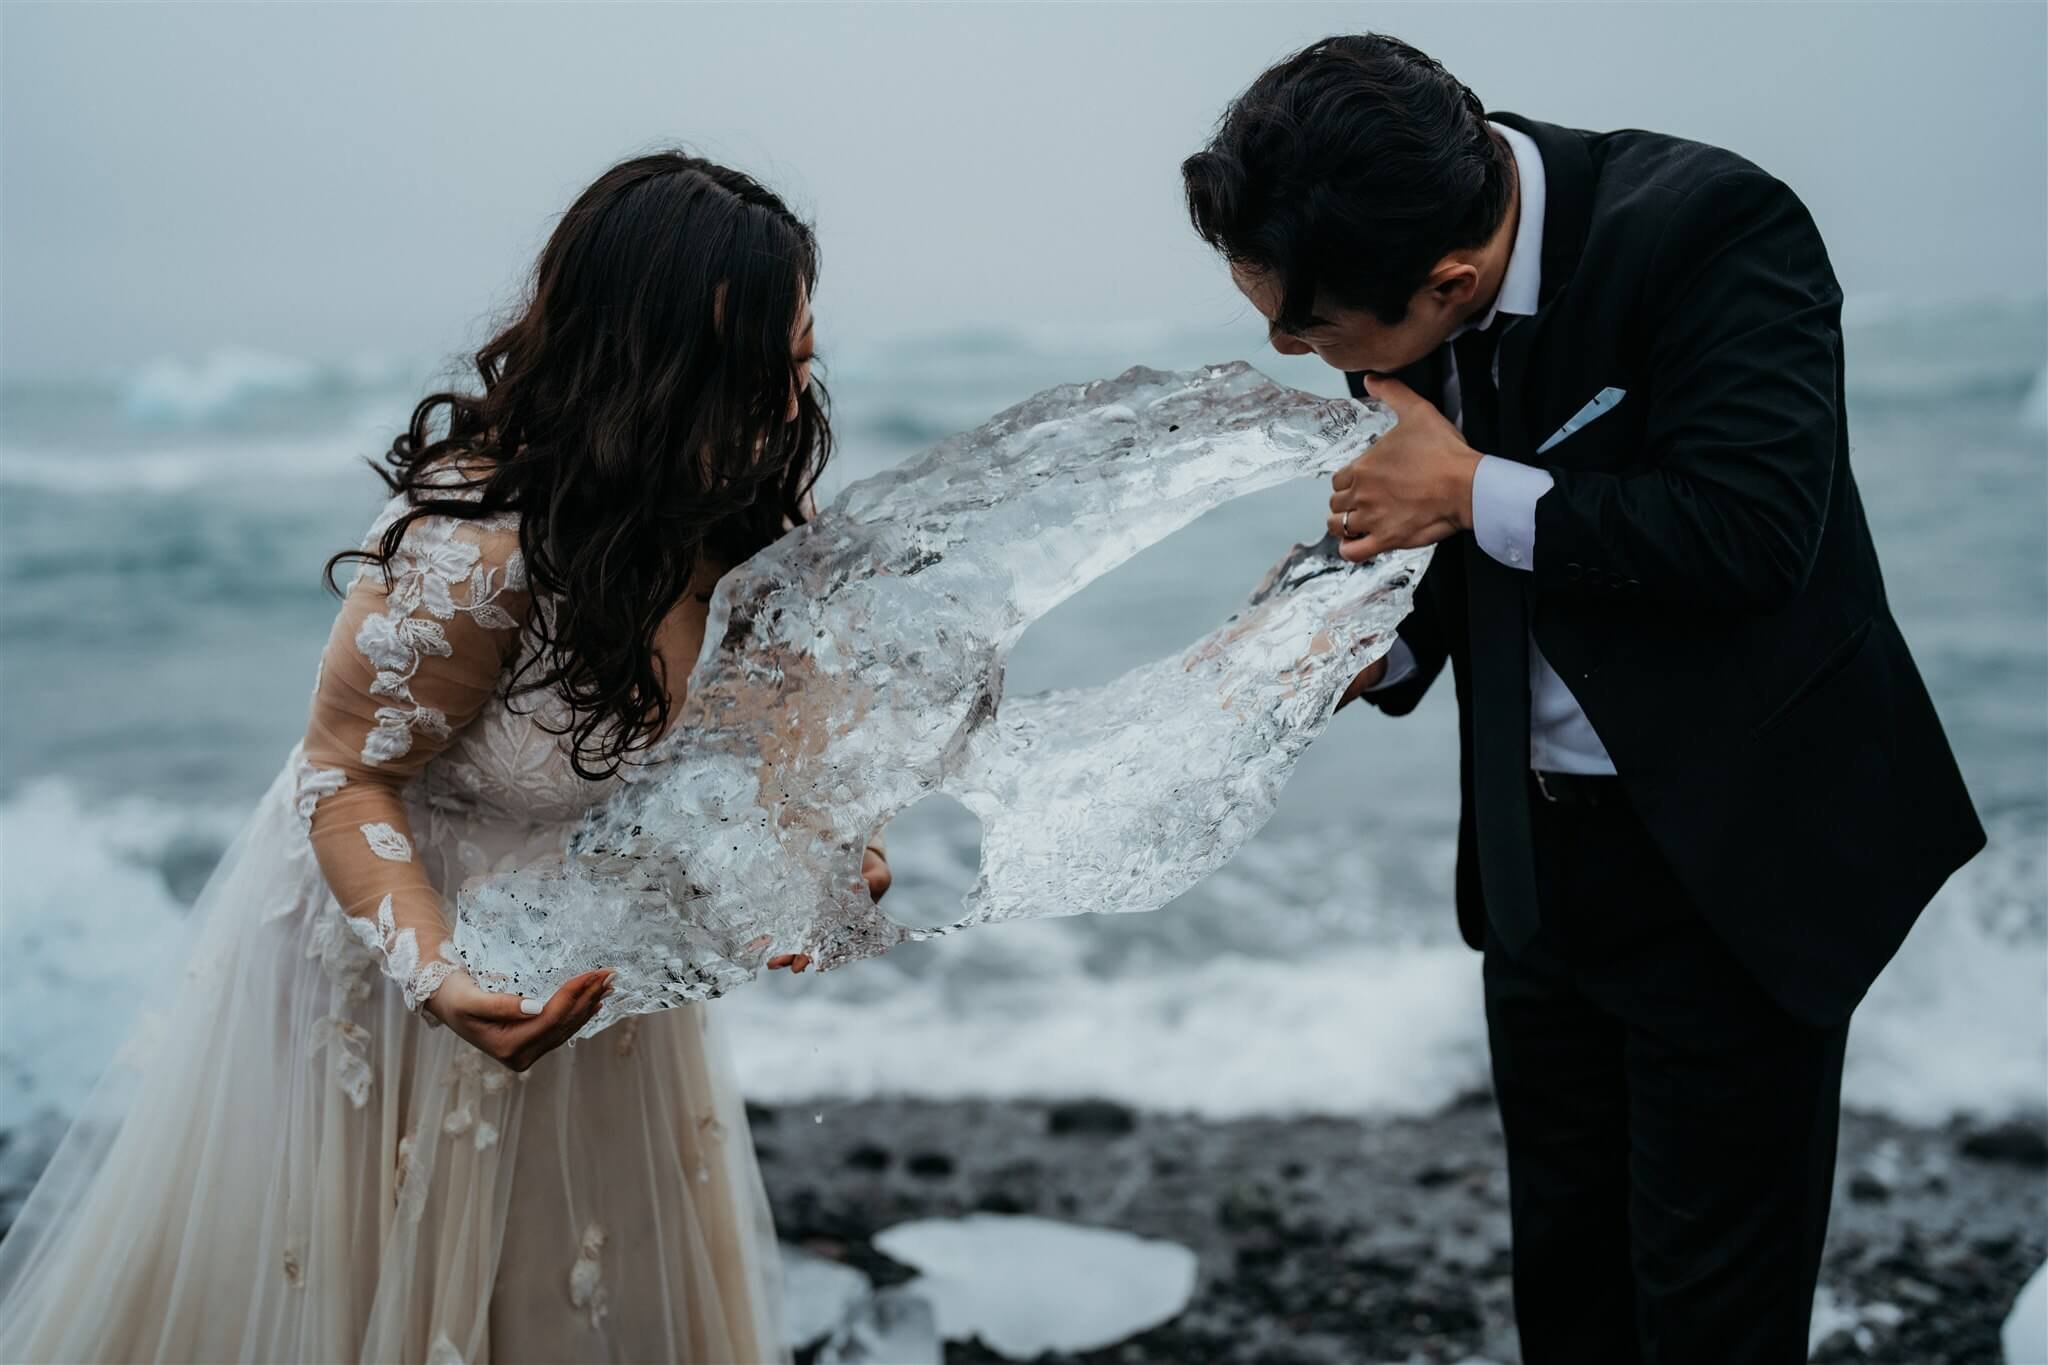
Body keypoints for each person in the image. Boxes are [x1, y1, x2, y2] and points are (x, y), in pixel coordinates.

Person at [0, 150, 887, 1363]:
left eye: (797, 367)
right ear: (653, 370)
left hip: (590, 977)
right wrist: (438, 977)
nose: (787, 410)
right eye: (751, 375)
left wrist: (822, 847)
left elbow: (775, 754)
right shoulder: (482, 547)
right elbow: (341, 775)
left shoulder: (750, 525)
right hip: (390, 965)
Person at [1182, 34, 1985, 1364]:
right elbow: (1448, 558)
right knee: (1569, 1288)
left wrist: (1464, 489)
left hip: (1732, 870)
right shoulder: (1396, 261)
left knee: (1712, 1315)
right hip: (1537, 872)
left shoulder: (1720, 230)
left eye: (1307, 328)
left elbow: (1752, 531)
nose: (1287, 349)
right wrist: (1343, 647)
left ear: (1454, 279)